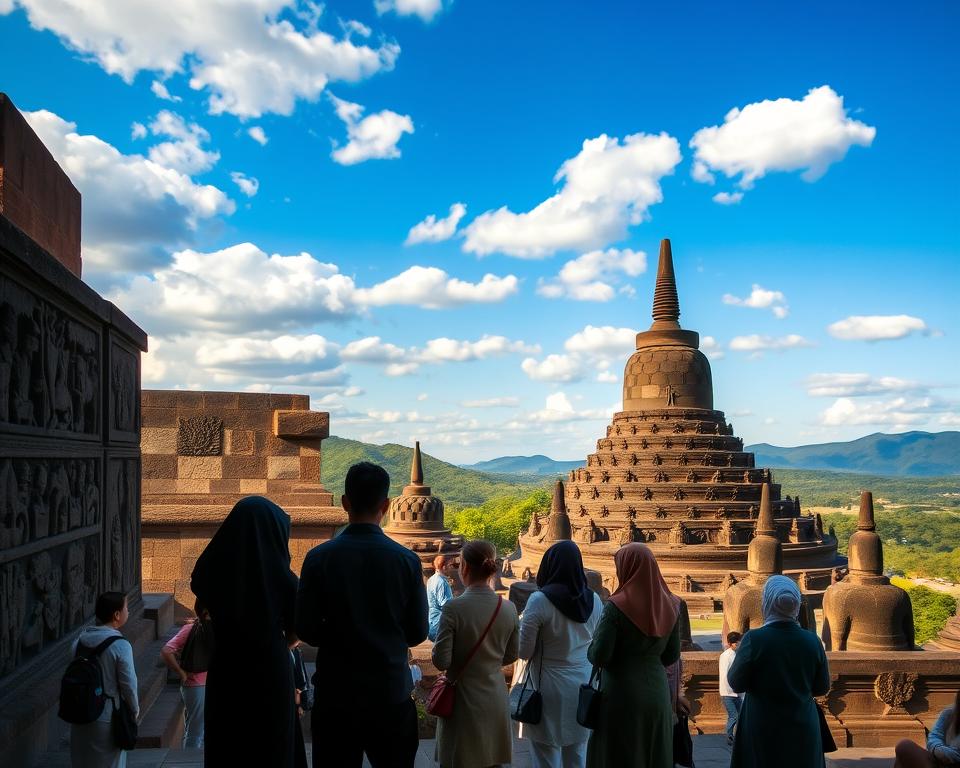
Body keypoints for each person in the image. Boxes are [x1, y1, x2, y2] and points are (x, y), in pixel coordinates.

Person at [296, 462, 428, 768]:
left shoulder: (319, 559)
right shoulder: (407, 561)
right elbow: (418, 631)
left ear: (345, 502)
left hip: (336, 695)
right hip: (390, 693)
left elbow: (307, 629)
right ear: (387, 505)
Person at [191, 496, 299, 768]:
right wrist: (277, 644)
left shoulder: (211, 574)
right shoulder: (284, 580)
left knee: (229, 745)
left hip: (227, 666)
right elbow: (298, 630)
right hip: (271, 668)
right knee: (272, 746)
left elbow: (202, 611)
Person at [585, 542, 680, 768]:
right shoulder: (673, 603)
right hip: (657, 691)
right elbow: (672, 655)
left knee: (620, 754)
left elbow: (600, 655)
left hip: (621, 692)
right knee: (654, 751)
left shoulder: (616, 606)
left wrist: (590, 646)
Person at [433, 539, 520, 768]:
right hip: (494, 697)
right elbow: (512, 654)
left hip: (461, 700)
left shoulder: (454, 608)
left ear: (465, 568)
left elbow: (441, 659)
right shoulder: (508, 608)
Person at [728, 575, 831, 768]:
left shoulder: (754, 639)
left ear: (767, 602)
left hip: (761, 722)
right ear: (796, 605)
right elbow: (821, 687)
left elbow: (736, 682)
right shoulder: (812, 641)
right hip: (802, 722)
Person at [517, 540, 602, 768]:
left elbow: (524, 652)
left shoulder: (540, 601)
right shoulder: (594, 600)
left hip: (548, 685)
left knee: (546, 756)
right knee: (577, 755)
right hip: (583, 684)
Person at [70, 591, 139, 768]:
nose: (128, 612)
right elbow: (128, 684)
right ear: (116, 615)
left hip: (80, 712)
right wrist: (134, 708)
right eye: (126, 608)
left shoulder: (79, 642)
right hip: (107, 714)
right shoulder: (120, 645)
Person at [159, 600, 211, 748]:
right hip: (197, 684)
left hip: (196, 685)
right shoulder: (192, 629)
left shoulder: (194, 628)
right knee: (196, 731)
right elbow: (166, 650)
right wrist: (181, 672)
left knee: (196, 728)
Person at [894, 689, 960, 766]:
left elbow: (956, 756)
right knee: (904, 747)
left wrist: (949, 755)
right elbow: (934, 736)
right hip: (940, 757)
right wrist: (939, 750)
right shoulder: (949, 713)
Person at [718, 631, 743, 745]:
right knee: (734, 716)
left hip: (737, 692)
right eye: (737, 642)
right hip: (728, 692)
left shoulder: (737, 654)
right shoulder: (726, 656)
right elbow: (725, 675)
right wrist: (731, 688)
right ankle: (729, 736)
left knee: (740, 716)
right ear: (731, 643)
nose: (739, 644)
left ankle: (738, 736)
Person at [428, 553, 458, 641]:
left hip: (433, 621)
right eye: (450, 565)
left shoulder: (432, 579)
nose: (451, 568)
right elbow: (446, 604)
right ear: (444, 567)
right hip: (440, 623)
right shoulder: (441, 582)